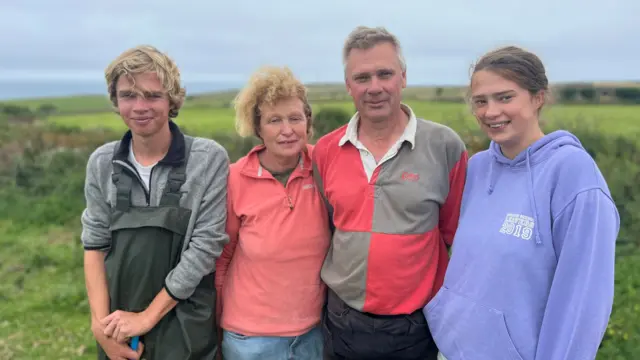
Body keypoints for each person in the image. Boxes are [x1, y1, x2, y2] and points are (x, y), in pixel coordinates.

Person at [424, 46, 620, 360]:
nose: (490, 112)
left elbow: (583, 301)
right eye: (480, 101)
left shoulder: (573, 174)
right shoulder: (477, 169)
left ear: (538, 97)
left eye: (505, 97)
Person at [312, 26, 468, 360]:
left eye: (385, 74)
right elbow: (329, 226)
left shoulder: (445, 146)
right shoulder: (325, 151)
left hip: (416, 326)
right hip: (342, 321)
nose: (375, 88)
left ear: (403, 77)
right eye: (362, 77)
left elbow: (451, 233)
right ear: (348, 85)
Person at [80, 45, 230, 360]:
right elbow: (94, 246)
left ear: (172, 99)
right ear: (115, 100)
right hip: (117, 327)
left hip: (184, 322)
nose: (139, 107)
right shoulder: (101, 163)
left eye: (152, 95)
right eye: (128, 96)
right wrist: (99, 326)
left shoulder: (207, 159)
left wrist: (147, 317)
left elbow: (204, 247)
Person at [214, 66, 331, 360]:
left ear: (308, 122)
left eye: (295, 118)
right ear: (258, 128)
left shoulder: (325, 166)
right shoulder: (235, 178)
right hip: (250, 340)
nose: (287, 130)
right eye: (274, 120)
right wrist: (214, 326)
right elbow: (221, 258)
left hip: (313, 334)